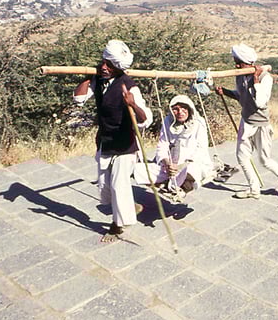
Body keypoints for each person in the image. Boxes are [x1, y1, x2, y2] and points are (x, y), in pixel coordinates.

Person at [74, 39, 153, 242]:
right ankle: (129, 207)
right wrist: (89, 75)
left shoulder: (129, 86)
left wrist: (133, 105)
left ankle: (117, 226)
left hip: (125, 144)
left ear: (118, 68)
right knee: (104, 186)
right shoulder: (98, 79)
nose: (104, 67)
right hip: (105, 142)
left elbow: (146, 119)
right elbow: (79, 98)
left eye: (109, 65)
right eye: (103, 62)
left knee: (119, 185)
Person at [215, 43, 278, 200]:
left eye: (239, 62)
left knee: (265, 160)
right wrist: (225, 92)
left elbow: (259, 102)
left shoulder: (265, 78)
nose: (237, 65)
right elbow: (241, 95)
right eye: (235, 61)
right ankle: (254, 189)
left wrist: (256, 78)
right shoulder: (240, 75)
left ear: (249, 63)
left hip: (261, 125)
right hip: (246, 122)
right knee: (242, 157)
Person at [134, 94, 215, 203]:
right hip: (171, 164)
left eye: (183, 109)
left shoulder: (198, 123)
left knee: (192, 171)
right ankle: (171, 184)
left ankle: (182, 186)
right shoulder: (168, 121)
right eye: (176, 109)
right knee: (140, 170)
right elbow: (162, 145)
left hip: (192, 162)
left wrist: (181, 166)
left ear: (189, 109)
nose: (180, 112)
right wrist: (167, 162)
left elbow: (201, 149)